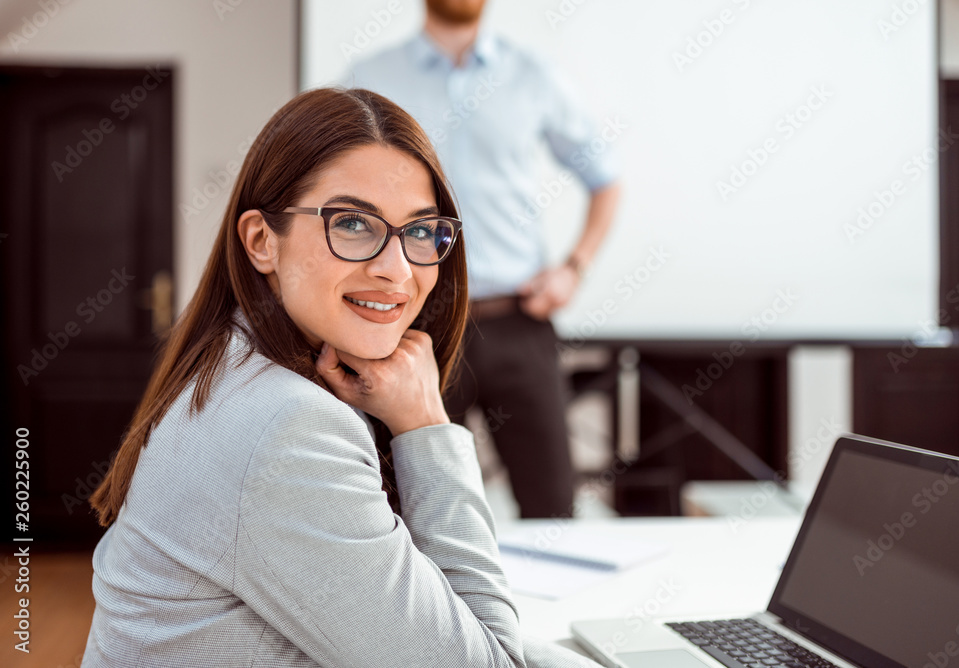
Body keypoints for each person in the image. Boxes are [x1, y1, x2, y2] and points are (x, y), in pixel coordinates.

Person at [81, 88, 600, 667]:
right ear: (260, 242)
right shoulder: (283, 425)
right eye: (353, 223)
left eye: (422, 232)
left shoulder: (238, 362)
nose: (397, 270)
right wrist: (425, 423)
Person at [346, 0, 622, 519]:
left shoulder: (533, 75)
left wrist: (574, 267)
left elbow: (604, 177)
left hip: (518, 322)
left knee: (552, 510)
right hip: (414, 327)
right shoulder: (369, 79)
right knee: (405, 510)